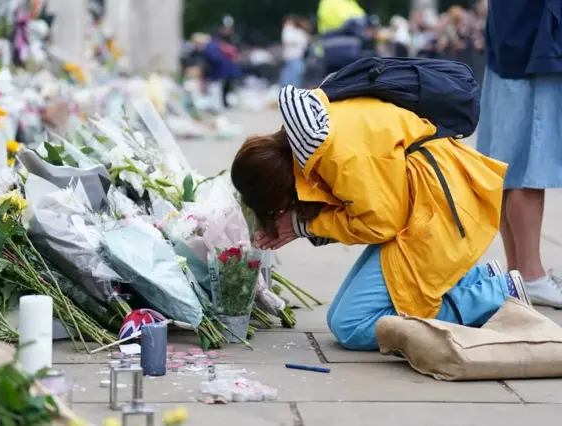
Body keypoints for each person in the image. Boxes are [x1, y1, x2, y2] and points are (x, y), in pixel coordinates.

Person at [230, 84, 531, 351]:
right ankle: (480, 278)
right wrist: (302, 225)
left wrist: (304, 225)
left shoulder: (338, 155)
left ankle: (499, 294)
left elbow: (380, 224)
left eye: (275, 207)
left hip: (438, 212)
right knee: (339, 316)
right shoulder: (310, 135)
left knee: (351, 325)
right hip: (431, 197)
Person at [476, 0, 562, 307]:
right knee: (526, 169)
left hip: (510, 46)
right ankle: (531, 274)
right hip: (532, 49)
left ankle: (518, 273)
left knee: (506, 169)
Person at [190, 33, 242, 113]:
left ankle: (216, 108)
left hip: (217, 72)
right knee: (217, 89)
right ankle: (217, 107)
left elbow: (214, 61)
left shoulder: (209, 49)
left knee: (215, 89)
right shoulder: (212, 46)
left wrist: (208, 72)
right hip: (221, 71)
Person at [280, 16, 310, 88]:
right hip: (292, 58)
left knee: (294, 79)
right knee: (291, 79)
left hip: (297, 58)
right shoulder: (289, 30)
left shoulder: (297, 32)